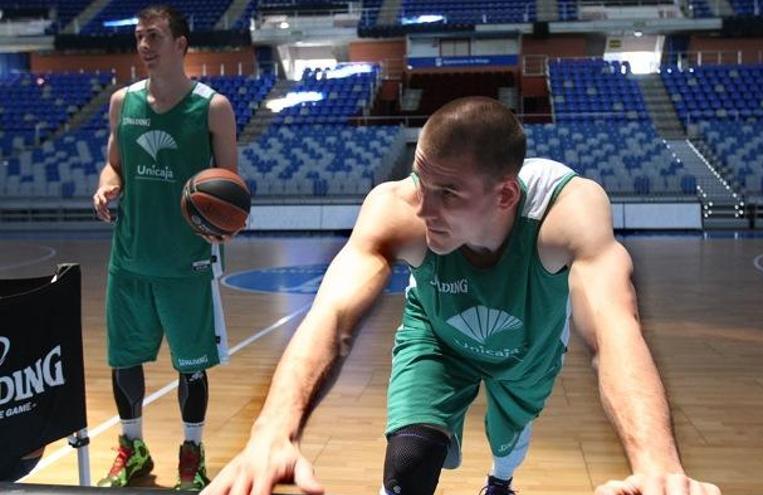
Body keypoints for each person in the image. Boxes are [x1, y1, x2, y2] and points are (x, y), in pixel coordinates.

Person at [204, 97, 721, 495]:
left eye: (448, 194)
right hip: (437, 332)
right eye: (421, 179)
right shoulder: (397, 207)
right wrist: (273, 431)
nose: (424, 207)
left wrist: (657, 463)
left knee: (508, 442)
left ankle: (500, 482)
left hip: (527, 344)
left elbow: (614, 331)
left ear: (505, 195)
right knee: (408, 462)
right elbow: (332, 315)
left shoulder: (568, 210)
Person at [91, 4, 238, 491]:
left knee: (190, 366)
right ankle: (132, 448)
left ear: (181, 44)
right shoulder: (122, 103)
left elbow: (233, 188)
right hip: (129, 260)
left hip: (186, 263)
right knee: (124, 359)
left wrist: (226, 224)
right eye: (139, 37)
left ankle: (192, 454)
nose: (145, 46)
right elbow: (114, 165)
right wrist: (107, 185)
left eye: (154, 36)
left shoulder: (213, 107)